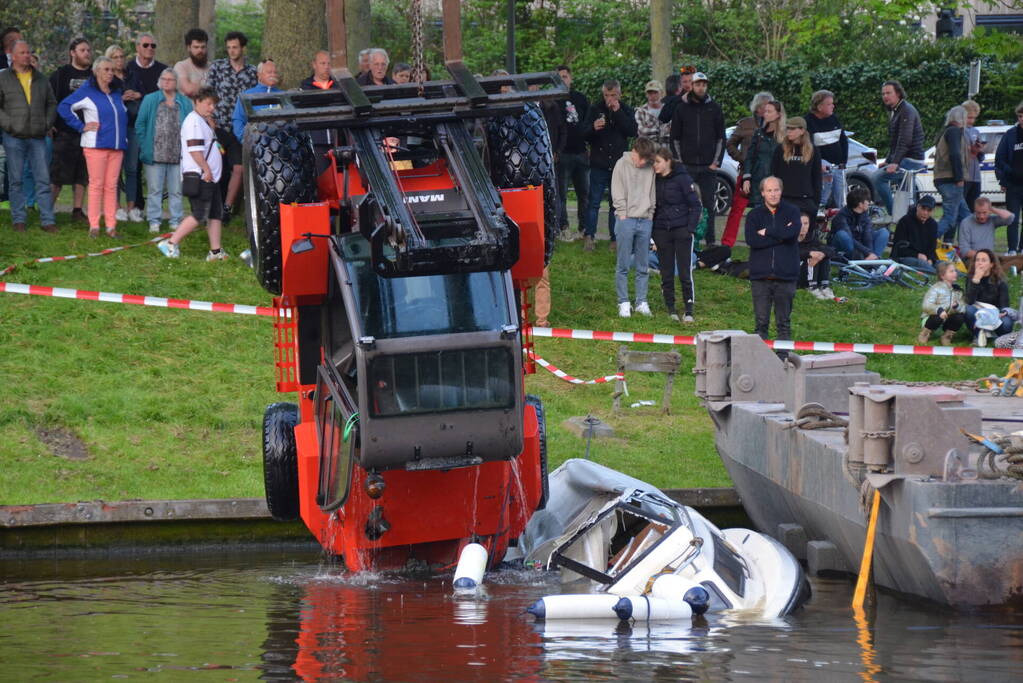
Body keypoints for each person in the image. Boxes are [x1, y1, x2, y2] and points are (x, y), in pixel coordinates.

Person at [57, 56, 128, 237]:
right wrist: (81, 126)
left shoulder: (116, 92)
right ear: (96, 71)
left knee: (112, 186)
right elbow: (64, 107)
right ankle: (94, 225)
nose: (110, 73)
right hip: (96, 145)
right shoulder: (87, 90)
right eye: (106, 69)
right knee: (96, 185)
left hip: (116, 145)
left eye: (111, 70)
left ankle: (111, 226)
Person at [157, 87, 227, 261]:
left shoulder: (203, 121)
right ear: (197, 102)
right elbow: (195, 150)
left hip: (211, 177)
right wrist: (206, 169)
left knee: (215, 214)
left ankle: (216, 251)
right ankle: (171, 243)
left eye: (214, 104)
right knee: (199, 214)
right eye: (208, 103)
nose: (212, 108)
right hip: (201, 176)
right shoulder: (194, 122)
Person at [0, 39, 58, 232]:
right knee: (15, 179)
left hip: (37, 136)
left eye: (29, 52)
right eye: (23, 53)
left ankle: (47, 221)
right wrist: (9, 125)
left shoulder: (41, 78)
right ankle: (19, 219)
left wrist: (46, 124)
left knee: (42, 178)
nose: (27, 55)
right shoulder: (3, 78)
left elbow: (52, 103)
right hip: (13, 136)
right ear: (14, 56)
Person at [206, 31, 257, 221]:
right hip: (218, 127)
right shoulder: (217, 68)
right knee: (216, 168)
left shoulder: (252, 72)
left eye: (235, 47)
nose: (231, 51)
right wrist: (208, 118)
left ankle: (227, 208)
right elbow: (206, 93)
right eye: (228, 48)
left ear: (242, 48)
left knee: (238, 168)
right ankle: (213, 208)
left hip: (239, 129)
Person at [669, 71, 725, 243]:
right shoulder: (681, 108)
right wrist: (680, 163)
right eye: (698, 84)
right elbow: (674, 138)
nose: (701, 87)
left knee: (709, 205)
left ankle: (710, 241)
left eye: (704, 84)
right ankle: (687, 239)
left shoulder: (714, 108)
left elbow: (721, 138)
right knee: (685, 203)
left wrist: (716, 162)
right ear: (691, 86)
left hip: (709, 167)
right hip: (688, 166)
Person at [582, 79, 637, 251]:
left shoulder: (626, 109)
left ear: (619, 94)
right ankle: (589, 236)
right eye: (606, 95)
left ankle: (615, 238)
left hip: (619, 165)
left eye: (613, 95)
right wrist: (593, 127)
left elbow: (633, 131)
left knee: (616, 203)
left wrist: (618, 112)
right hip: (599, 163)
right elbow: (583, 133)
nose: (609, 99)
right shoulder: (595, 109)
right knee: (594, 202)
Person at [136, 68, 192, 233]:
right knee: (155, 190)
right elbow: (140, 124)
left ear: (176, 83)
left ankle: (176, 220)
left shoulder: (185, 102)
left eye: (170, 79)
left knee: (176, 190)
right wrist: (145, 143)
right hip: (154, 153)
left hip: (177, 154)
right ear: (160, 81)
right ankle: (154, 220)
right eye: (164, 79)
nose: (167, 82)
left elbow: (190, 125)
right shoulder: (150, 99)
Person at [745, 176, 801, 340]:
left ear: (781, 191)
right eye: (769, 190)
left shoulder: (792, 211)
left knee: (783, 323)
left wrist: (767, 232)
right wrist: (781, 234)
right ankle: (761, 361)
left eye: (776, 190)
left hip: (786, 276)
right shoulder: (754, 215)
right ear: (762, 193)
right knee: (761, 323)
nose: (773, 194)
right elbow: (752, 240)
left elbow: (792, 235)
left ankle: (783, 360)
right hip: (760, 277)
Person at [651, 145, 702, 322]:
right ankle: (670, 307)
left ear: (668, 161)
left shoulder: (682, 178)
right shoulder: (654, 180)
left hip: (681, 230)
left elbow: (696, 205)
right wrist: (653, 233)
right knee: (665, 270)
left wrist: (690, 229)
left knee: (684, 270)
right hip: (661, 231)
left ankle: (689, 308)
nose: (654, 166)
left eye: (657, 162)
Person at [610, 137, 657, 317]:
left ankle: (641, 301)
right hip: (626, 219)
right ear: (635, 151)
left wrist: (650, 214)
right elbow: (617, 190)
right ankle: (623, 302)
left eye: (647, 160)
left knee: (642, 265)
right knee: (623, 264)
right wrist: (622, 213)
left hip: (645, 220)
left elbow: (652, 192)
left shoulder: (649, 167)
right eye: (641, 158)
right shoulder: (621, 164)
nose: (643, 163)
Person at [49, 37, 93, 224]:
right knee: (57, 174)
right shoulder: (61, 74)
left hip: (88, 132)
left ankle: (77, 210)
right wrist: (50, 122)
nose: (87, 53)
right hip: (64, 131)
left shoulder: (94, 75)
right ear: (72, 53)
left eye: (88, 50)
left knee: (82, 175)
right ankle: (47, 210)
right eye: (83, 50)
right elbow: (50, 99)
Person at [722, 91, 773, 246]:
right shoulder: (746, 124)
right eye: (766, 106)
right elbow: (730, 144)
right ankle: (727, 243)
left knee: (768, 211)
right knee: (737, 210)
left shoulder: (775, 126)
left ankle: (765, 242)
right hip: (747, 174)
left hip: (768, 176)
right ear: (758, 107)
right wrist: (742, 158)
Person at [124, 33, 167, 218]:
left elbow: (166, 95)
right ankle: (135, 207)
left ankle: (154, 210)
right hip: (132, 125)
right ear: (137, 48)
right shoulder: (127, 68)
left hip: (156, 126)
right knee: (133, 168)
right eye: (146, 45)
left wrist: (141, 95)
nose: (150, 48)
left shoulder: (163, 70)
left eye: (153, 45)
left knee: (154, 168)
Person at [105, 44, 144, 222]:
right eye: (115, 57)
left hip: (133, 125)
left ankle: (131, 207)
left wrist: (136, 94)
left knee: (132, 168)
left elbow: (143, 92)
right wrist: (120, 98)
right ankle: (116, 207)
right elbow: (103, 99)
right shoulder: (107, 78)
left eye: (121, 57)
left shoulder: (132, 75)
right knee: (114, 170)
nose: (120, 60)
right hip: (115, 127)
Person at [876, 80, 925, 215]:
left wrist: (895, 162)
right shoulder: (896, 110)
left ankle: (896, 214)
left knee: (878, 178)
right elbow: (894, 142)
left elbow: (905, 140)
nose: (885, 96)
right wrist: (888, 160)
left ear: (898, 93)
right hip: (905, 158)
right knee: (905, 191)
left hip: (911, 159)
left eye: (888, 93)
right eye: (883, 93)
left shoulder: (906, 110)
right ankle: (905, 216)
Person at [555, 65, 589, 241]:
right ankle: (564, 228)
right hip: (563, 154)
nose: (563, 80)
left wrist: (589, 146)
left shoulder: (581, 98)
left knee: (584, 194)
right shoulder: (552, 101)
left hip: (581, 153)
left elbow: (589, 124)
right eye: (559, 77)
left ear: (571, 78)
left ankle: (584, 229)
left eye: (565, 76)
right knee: (561, 195)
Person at [805, 89, 848, 211]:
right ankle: (818, 215)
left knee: (841, 198)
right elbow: (809, 146)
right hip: (821, 167)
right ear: (819, 106)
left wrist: (843, 162)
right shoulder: (808, 122)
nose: (833, 106)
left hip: (838, 166)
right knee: (822, 197)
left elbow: (843, 140)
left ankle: (842, 222)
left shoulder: (834, 118)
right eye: (829, 104)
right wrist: (818, 164)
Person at [933, 105, 970, 241]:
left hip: (943, 178)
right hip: (951, 179)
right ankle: (925, 240)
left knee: (965, 216)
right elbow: (955, 154)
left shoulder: (945, 131)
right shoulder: (954, 131)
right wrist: (959, 177)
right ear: (962, 118)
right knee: (949, 218)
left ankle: (950, 246)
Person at [771, 116, 821, 217]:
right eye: (788, 128)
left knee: (805, 231)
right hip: (784, 199)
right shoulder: (780, 149)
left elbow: (817, 178)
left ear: (802, 130)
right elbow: (774, 175)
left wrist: (815, 203)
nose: (789, 131)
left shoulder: (813, 151)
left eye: (793, 129)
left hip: (806, 200)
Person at [964, 248, 1013, 344]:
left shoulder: (1000, 281)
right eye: (977, 260)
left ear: (991, 264)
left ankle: (992, 332)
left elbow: (1004, 305)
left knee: (1007, 323)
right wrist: (976, 280)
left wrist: (997, 315)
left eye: (983, 260)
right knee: (968, 310)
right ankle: (978, 334)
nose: (979, 263)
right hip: (978, 313)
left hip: (995, 314)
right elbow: (969, 302)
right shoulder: (971, 278)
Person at [742, 99, 785, 208]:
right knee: (760, 217)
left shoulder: (785, 136)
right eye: (765, 111)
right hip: (759, 182)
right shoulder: (759, 134)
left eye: (769, 111)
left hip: (778, 182)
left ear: (778, 114)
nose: (765, 114)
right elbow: (750, 157)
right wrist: (746, 178)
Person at [994, 102, 1023, 256]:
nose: (1022, 119)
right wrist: (1006, 175)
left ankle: (1021, 248)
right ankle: (1012, 249)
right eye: (1019, 116)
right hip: (1013, 184)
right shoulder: (1010, 134)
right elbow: (999, 158)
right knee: (1012, 218)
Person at [829, 186, 887, 260]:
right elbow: (850, 238)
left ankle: (873, 259)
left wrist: (870, 252)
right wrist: (867, 252)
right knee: (842, 235)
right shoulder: (841, 216)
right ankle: (859, 259)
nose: (870, 202)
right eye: (867, 200)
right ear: (860, 204)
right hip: (844, 246)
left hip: (860, 243)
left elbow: (867, 234)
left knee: (883, 232)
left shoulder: (864, 213)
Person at [918, 261, 966, 346]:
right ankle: (925, 334)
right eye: (951, 271)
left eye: (955, 271)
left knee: (960, 317)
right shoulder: (936, 288)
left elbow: (963, 306)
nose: (955, 273)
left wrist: (957, 306)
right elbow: (926, 305)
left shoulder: (958, 290)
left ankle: (946, 336)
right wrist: (939, 310)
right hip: (932, 318)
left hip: (948, 319)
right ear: (942, 275)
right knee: (937, 317)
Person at [233, 60, 282, 142]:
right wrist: (245, 140)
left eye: (275, 72)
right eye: (269, 72)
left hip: (279, 145)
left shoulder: (284, 96)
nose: (273, 75)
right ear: (259, 75)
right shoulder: (247, 96)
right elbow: (238, 120)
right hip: (255, 145)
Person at [891, 195, 938, 273]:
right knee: (921, 263)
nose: (925, 212)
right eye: (923, 209)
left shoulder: (933, 224)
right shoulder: (905, 221)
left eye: (929, 210)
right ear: (918, 207)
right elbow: (899, 247)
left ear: (932, 211)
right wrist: (917, 255)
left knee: (943, 264)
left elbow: (932, 246)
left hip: (925, 258)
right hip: (904, 257)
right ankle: (939, 275)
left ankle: (960, 275)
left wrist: (930, 258)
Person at [797, 211, 837, 300]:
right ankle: (812, 287)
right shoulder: (788, 239)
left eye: (806, 223)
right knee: (813, 254)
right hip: (794, 275)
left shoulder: (810, 238)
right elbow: (790, 253)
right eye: (799, 223)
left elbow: (829, 249)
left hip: (809, 272)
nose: (803, 227)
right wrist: (810, 253)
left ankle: (824, 286)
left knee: (822, 254)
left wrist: (822, 254)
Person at [961, 99, 984, 213]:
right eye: (969, 117)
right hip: (964, 176)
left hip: (976, 176)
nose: (971, 121)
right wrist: (970, 151)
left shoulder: (976, 131)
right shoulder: (959, 131)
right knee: (962, 210)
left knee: (973, 209)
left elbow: (980, 157)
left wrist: (980, 150)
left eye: (974, 118)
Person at [173, 28, 210, 99]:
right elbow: (189, 90)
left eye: (203, 47)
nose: (200, 50)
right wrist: (210, 86)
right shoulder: (181, 66)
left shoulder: (212, 67)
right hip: (188, 109)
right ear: (188, 48)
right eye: (196, 47)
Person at [635, 80, 669, 146]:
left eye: (655, 92)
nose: (653, 96)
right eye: (650, 93)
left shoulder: (669, 109)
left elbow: (672, 132)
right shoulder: (640, 111)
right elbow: (642, 132)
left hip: (666, 152)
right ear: (646, 95)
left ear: (662, 93)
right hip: (647, 152)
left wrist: (651, 131)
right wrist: (663, 130)